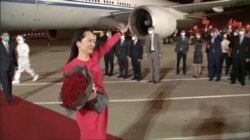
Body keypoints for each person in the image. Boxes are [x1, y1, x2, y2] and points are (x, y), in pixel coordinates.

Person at [63, 23, 128, 139]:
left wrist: (120, 33)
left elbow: (107, 45)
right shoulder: (71, 67)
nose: (93, 44)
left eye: (94, 40)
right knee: (90, 136)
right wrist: (87, 96)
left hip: (101, 104)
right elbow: (69, 95)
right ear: (78, 43)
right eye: (89, 41)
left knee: (101, 135)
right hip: (87, 109)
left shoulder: (94, 56)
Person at [0, 31, 17, 104]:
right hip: (2, 68)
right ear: (1, 37)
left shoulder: (11, 44)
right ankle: (9, 99)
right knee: (5, 83)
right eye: (5, 35)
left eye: (7, 35)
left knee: (9, 83)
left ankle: (9, 96)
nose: (7, 36)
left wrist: (16, 65)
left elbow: (14, 56)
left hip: (11, 67)